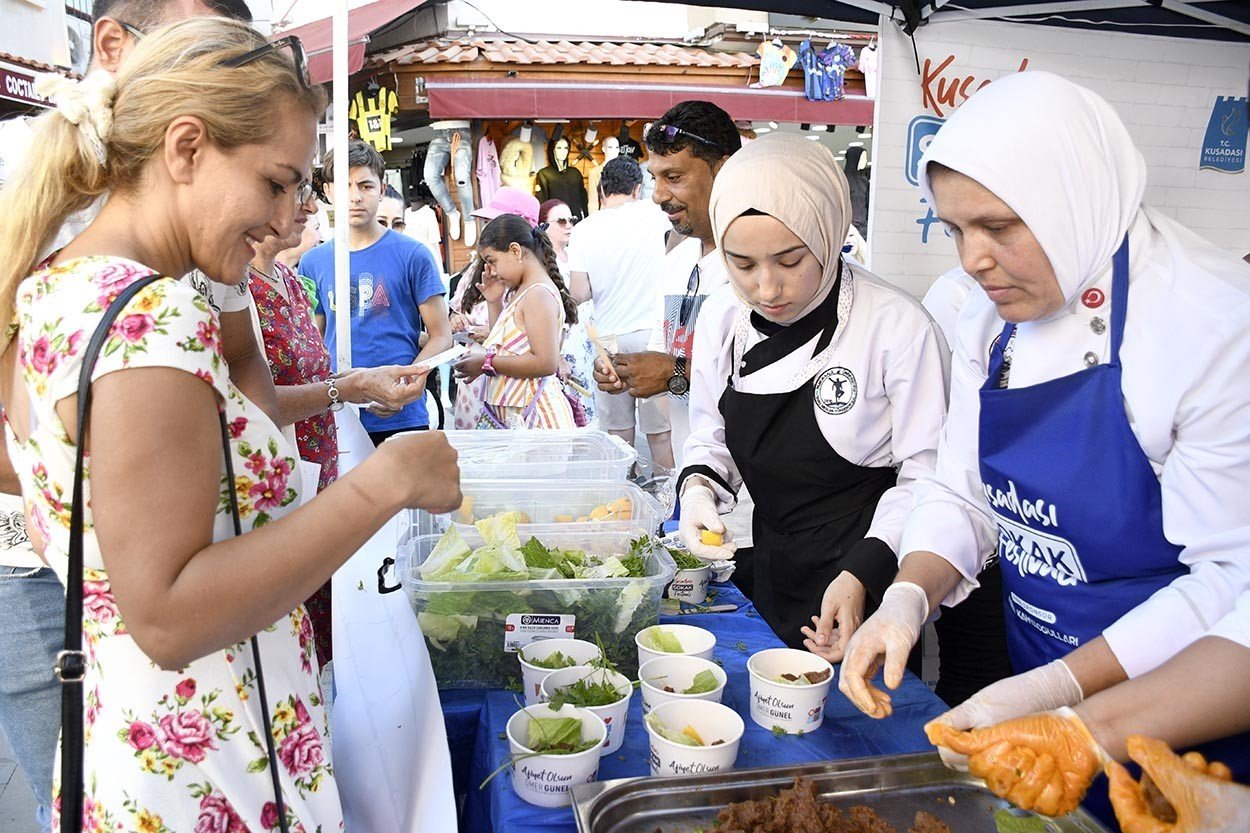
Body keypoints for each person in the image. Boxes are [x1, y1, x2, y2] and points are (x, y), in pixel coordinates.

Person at [0, 17, 461, 829]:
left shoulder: (60, 287)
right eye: (275, 182)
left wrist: (226, 279)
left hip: (149, 753)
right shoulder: (151, 322)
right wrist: (386, 483)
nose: (286, 219)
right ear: (185, 150)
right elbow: (170, 612)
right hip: (212, 774)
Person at [838, 71, 1250, 820]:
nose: (972, 259)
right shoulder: (986, 319)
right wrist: (906, 594)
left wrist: (1063, 692)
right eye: (957, 229)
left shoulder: (1211, 326)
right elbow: (963, 489)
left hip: (1178, 715)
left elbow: (1230, 580)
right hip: (1039, 689)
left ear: (1074, 198)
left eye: (998, 227)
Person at [0, 2, 257, 830]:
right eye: (197, 47)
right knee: (78, 790)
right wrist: (77, 490)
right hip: (41, 571)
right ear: (112, 43)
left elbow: (240, 378)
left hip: (128, 588)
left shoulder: (185, 227)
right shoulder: (44, 186)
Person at [677, 133, 948, 651]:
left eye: (790, 260)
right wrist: (697, 494)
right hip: (771, 560)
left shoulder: (896, 326)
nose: (767, 289)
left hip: (867, 568)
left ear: (829, 232)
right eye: (743, 263)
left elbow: (928, 474)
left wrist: (866, 573)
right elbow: (710, 436)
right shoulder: (721, 317)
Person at [248, 198, 433, 669]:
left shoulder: (290, 279)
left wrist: (357, 386)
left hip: (316, 477)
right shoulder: (234, 291)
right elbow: (252, 400)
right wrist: (345, 388)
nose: (308, 205)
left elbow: (313, 376)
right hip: (275, 490)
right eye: (288, 185)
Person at [592, 100, 741, 469]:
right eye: (654, 178)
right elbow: (667, 356)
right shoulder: (676, 262)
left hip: (751, 493)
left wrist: (673, 372)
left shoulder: (760, 266)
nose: (658, 194)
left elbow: (770, 374)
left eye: (674, 177)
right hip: (695, 476)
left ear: (722, 170)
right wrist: (628, 372)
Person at [300, 141, 453, 446]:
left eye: (366, 185)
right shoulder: (312, 261)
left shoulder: (413, 255)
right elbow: (313, 338)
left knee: (404, 495)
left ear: (382, 189)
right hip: (337, 411)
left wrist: (407, 383)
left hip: (401, 413)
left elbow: (441, 335)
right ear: (329, 192)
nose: (355, 197)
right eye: (345, 186)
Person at [567, 156, 675, 466]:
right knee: (660, 433)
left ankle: (621, 500)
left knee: (617, 433)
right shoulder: (655, 215)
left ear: (602, 189)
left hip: (609, 338)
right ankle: (669, 506)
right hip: (652, 333)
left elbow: (579, 293)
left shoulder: (585, 229)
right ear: (638, 189)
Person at [454, 213, 580, 429]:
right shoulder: (522, 291)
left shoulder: (537, 294)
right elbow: (506, 348)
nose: (491, 271)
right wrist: (494, 302)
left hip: (538, 423)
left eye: (492, 261)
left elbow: (545, 362)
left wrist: (486, 364)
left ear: (515, 250)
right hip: (521, 420)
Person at [540, 197, 595, 425]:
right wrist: (558, 355)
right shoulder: (543, 262)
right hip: (565, 341)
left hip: (588, 339)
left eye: (571, 219)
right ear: (544, 226)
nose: (569, 225)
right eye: (561, 221)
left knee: (592, 406)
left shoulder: (579, 253)